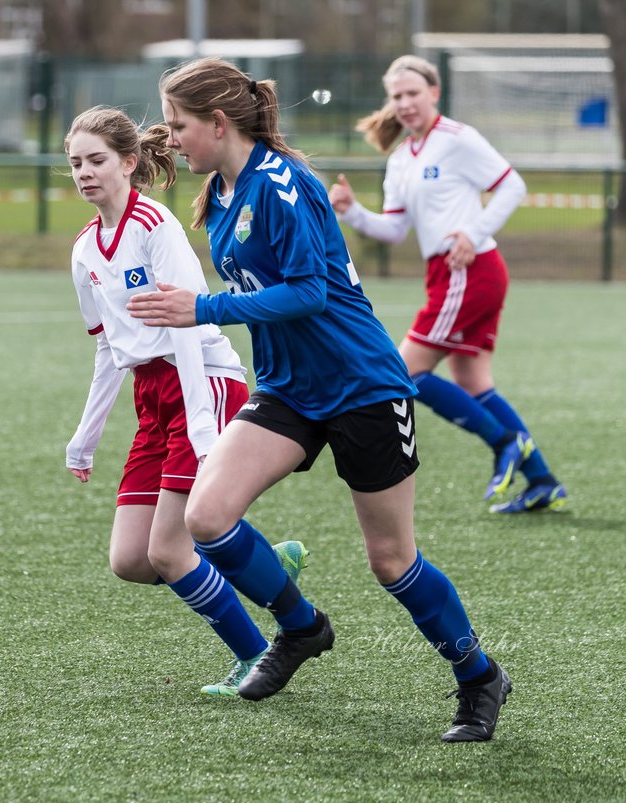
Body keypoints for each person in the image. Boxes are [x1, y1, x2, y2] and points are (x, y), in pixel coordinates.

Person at [128, 58, 511, 742]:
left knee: (391, 560)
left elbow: (307, 292)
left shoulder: (283, 184)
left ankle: (479, 677)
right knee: (209, 518)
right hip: (290, 389)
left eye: (181, 124)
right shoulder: (218, 192)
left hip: (362, 384)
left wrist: (203, 307)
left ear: (219, 123)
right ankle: (302, 628)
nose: (174, 136)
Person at [63, 106, 308, 698]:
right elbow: (108, 351)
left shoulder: (155, 227)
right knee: (132, 560)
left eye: (97, 161)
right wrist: (84, 436)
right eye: (75, 164)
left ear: (129, 163)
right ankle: (258, 562)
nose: (86, 173)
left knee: (170, 551)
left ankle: (256, 656)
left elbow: (185, 329)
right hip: (152, 397)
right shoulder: (84, 251)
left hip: (205, 381)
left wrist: (202, 424)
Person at [328, 55, 567, 514]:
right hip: (446, 277)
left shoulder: (458, 139)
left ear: (434, 93)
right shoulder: (400, 158)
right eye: (397, 96)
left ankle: (505, 445)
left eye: (413, 93)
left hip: (471, 271)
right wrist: (352, 211)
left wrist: (473, 234)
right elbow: (396, 230)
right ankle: (542, 481)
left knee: (403, 372)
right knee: (472, 380)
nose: (405, 103)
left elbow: (512, 185)